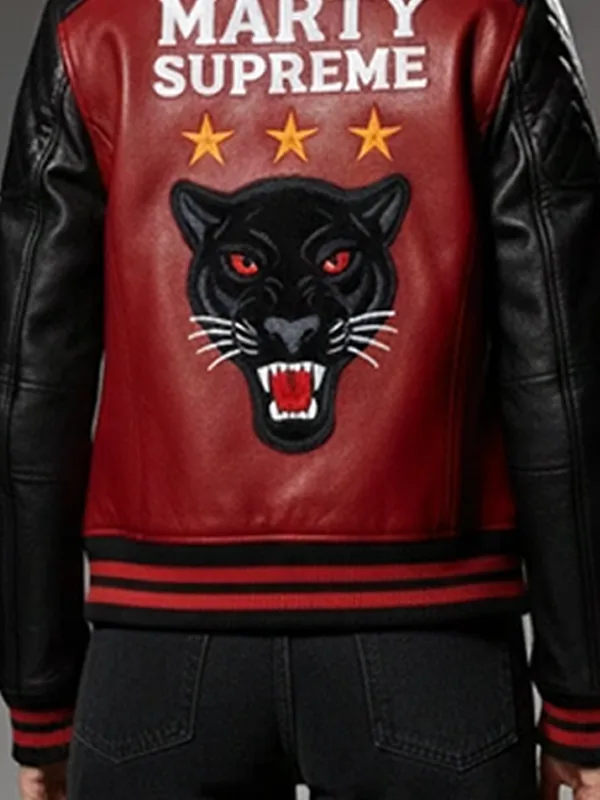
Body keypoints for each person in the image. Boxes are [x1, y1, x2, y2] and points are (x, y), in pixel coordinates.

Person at [1, 0, 600, 797]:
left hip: (159, 647)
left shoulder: (96, 16)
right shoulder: (497, 10)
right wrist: (582, 694)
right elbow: (562, 367)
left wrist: (39, 690)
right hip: (433, 646)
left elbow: (32, 374)